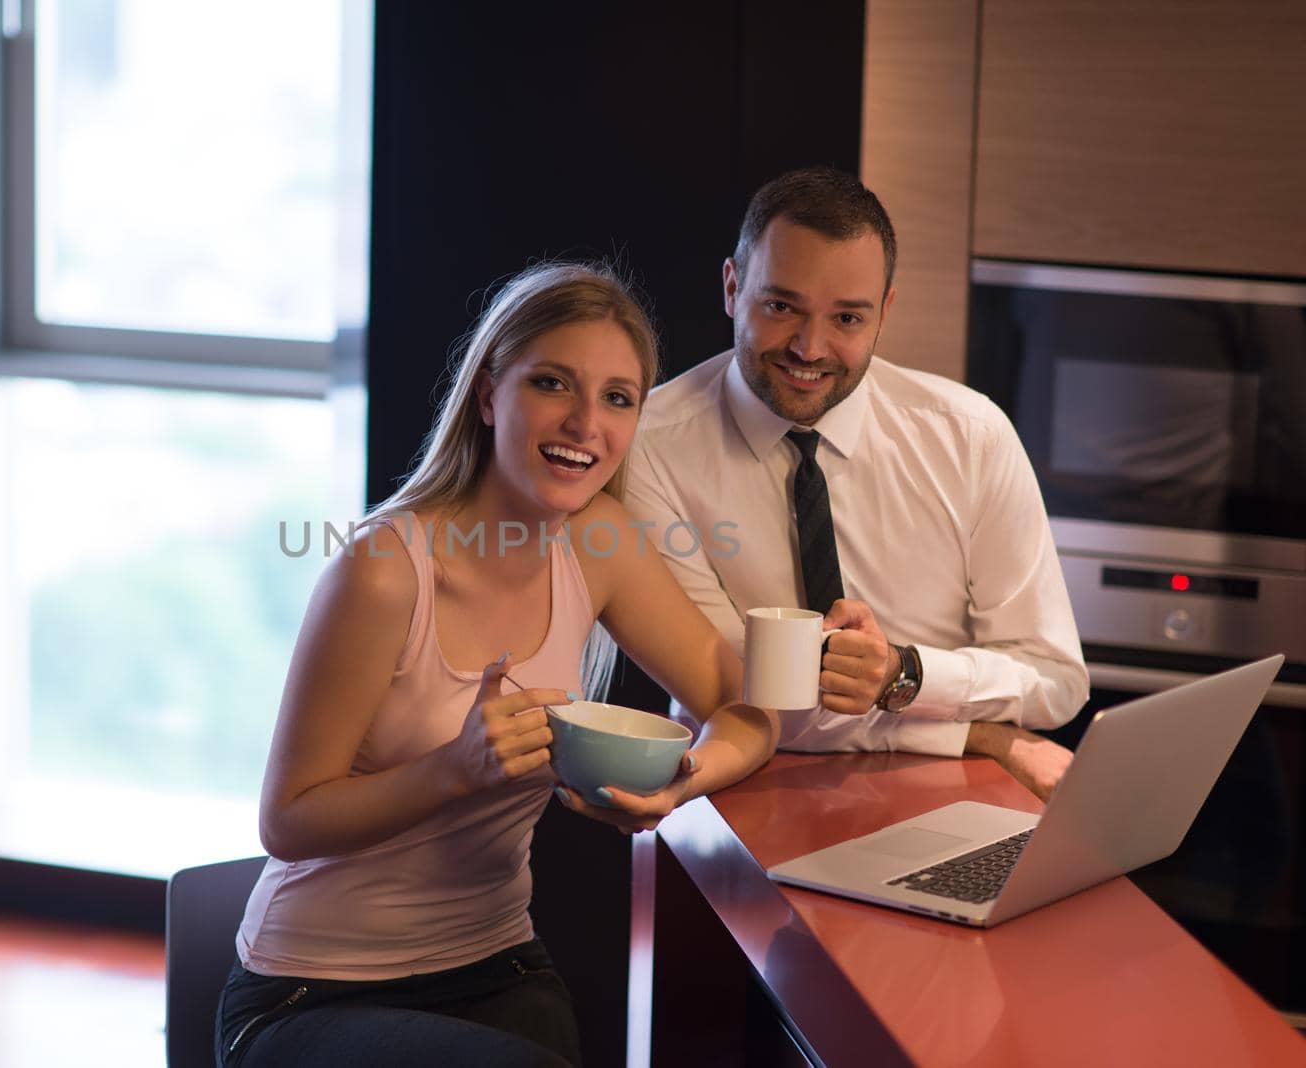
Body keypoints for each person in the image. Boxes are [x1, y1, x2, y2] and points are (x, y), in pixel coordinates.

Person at [217, 262, 778, 1067]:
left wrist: (684, 779)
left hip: (497, 961)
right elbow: (288, 819)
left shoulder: (601, 540)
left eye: (618, 398)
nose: (587, 423)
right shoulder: (383, 568)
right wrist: (456, 768)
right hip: (312, 991)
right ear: (489, 395)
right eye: (554, 384)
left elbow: (744, 707)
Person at [623, 166, 1088, 801]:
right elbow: (749, 697)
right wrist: (974, 731)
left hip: (947, 798)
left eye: (846, 318)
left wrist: (906, 670)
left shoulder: (971, 435)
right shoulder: (646, 445)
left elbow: (1057, 683)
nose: (810, 348)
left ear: (884, 312)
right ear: (733, 288)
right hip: (730, 794)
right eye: (782, 306)